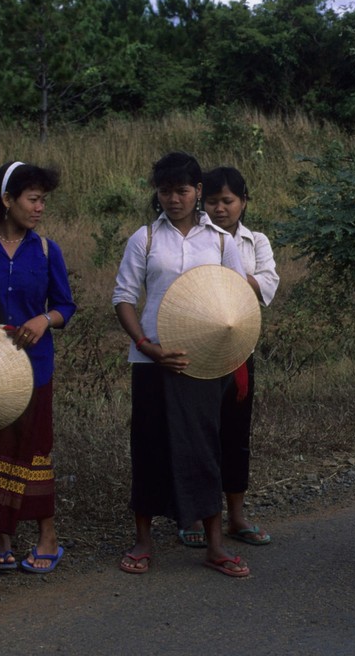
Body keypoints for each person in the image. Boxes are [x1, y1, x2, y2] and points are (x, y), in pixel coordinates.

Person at [112, 152, 251, 577]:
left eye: (183, 190)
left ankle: (214, 545)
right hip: (152, 362)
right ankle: (143, 540)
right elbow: (123, 298)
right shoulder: (145, 239)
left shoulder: (222, 243)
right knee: (149, 445)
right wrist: (146, 344)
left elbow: (239, 299)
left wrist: (231, 352)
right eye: (166, 191)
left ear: (198, 192)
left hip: (205, 364)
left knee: (205, 448)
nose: (174, 199)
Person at [0, 161, 76, 574]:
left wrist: (45, 320)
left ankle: (48, 535)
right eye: (33, 199)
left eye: (44, 200)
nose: (40, 207)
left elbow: (66, 306)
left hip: (34, 367)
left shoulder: (46, 252)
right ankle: (0, 537)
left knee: (34, 445)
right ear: (7, 200)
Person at [191, 165, 281, 546]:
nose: (220, 209)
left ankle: (236, 515)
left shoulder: (254, 241)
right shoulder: (192, 238)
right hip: (198, 348)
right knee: (199, 435)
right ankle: (196, 517)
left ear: (243, 202)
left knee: (235, 432)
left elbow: (268, 283)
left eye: (227, 201)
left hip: (240, 347)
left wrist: (230, 273)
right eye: (212, 201)